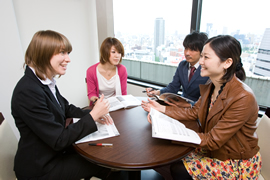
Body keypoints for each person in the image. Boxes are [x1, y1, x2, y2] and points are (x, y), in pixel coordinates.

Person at [142, 35, 262, 179]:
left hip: (235, 162)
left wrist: (169, 131)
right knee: (162, 154)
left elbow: (212, 140)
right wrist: (161, 109)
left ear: (227, 62)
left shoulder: (243, 97)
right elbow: (194, 112)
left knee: (177, 167)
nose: (201, 62)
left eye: (206, 57)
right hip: (216, 151)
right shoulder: (211, 86)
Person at [11, 30, 113, 180]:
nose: (68, 59)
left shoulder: (45, 82)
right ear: (44, 53)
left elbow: (65, 108)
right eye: (62, 53)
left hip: (52, 154)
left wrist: (94, 115)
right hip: (41, 168)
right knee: (100, 162)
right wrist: (92, 116)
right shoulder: (27, 91)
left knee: (101, 159)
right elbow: (59, 140)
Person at [146, 32, 209, 103]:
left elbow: (207, 99)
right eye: (186, 48)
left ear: (202, 52)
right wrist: (157, 92)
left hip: (198, 109)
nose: (187, 53)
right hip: (180, 105)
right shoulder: (182, 65)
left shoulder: (207, 69)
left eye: (192, 50)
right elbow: (173, 87)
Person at [86, 37, 127, 105]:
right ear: (105, 52)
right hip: (99, 104)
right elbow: (91, 94)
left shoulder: (122, 70)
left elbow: (123, 93)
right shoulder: (91, 71)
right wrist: (96, 101)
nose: (117, 56)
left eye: (119, 52)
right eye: (113, 52)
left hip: (116, 104)